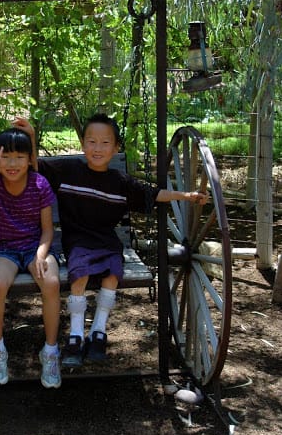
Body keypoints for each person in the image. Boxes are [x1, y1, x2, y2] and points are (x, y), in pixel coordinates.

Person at [15, 113, 208, 367]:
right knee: (80, 274)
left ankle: (98, 330)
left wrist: (185, 195)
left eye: (105, 143)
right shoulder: (68, 170)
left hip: (107, 240)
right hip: (78, 240)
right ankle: (75, 335)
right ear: (83, 144)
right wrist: (30, 135)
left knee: (113, 274)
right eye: (91, 142)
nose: (97, 148)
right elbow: (35, 166)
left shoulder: (120, 182)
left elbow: (153, 194)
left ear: (116, 148)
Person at [0, 127, 62, 388]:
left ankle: (51, 350)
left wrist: (41, 254)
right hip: (4, 249)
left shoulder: (39, 184)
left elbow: (47, 230)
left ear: (29, 159)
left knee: (52, 282)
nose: (12, 164)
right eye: (6, 156)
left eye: (19, 157)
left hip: (35, 247)